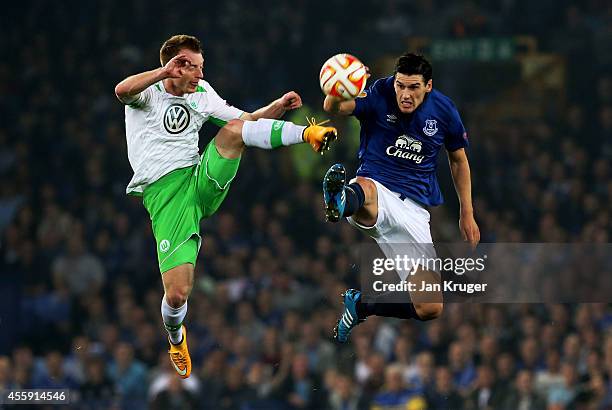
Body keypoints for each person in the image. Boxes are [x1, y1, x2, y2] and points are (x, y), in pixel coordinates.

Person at [115, 34, 338, 378]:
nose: (200, 76)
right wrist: (163, 74)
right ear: (175, 65)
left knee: (233, 132)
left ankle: (306, 135)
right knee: (176, 295)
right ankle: (176, 337)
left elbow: (245, 123)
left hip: (200, 177)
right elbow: (121, 90)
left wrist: (276, 107)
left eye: (203, 68)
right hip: (166, 196)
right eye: (194, 68)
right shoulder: (148, 92)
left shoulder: (203, 94)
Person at [321, 53, 480, 343]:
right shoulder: (380, 91)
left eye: (413, 87)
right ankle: (341, 200)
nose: (405, 94)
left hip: (415, 214)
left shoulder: (444, 111)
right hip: (376, 187)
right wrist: (340, 86)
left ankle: (361, 306)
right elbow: (335, 107)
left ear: (428, 86)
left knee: (430, 307)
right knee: (366, 192)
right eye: (401, 86)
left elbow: (458, 160)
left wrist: (466, 212)